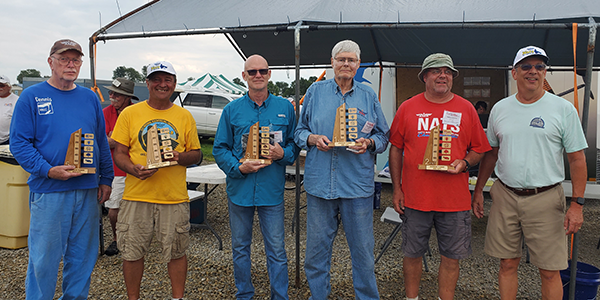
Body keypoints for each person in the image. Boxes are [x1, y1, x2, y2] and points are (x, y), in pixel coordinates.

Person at [472, 46, 587, 299]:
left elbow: (577, 159)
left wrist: (577, 204)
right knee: (507, 264)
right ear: (514, 73)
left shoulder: (563, 109)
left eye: (540, 67)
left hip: (545, 197)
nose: (533, 71)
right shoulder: (500, 109)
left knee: (549, 270)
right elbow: (492, 153)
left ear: (545, 73)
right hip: (505, 195)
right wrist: (479, 190)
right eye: (526, 66)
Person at [9, 39, 114, 299]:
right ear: (50, 62)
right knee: (44, 260)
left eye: (75, 60)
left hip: (87, 190)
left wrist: (107, 178)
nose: (70, 64)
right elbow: (19, 143)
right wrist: (47, 169)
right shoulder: (31, 97)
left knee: (82, 259)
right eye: (64, 59)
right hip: (50, 190)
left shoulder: (89, 97)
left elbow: (101, 140)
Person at [388, 53, 491, 300]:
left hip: (453, 202)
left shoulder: (466, 108)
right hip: (415, 198)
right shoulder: (408, 107)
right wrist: (397, 188)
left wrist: (465, 162)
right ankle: (411, 298)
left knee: (451, 258)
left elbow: (479, 149)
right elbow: (396, 148)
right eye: (436, 71)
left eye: (447, 71)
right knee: (412, 255)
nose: (442, 75)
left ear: (453, 77)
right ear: (425, 76)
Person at [294, 40, 389, 300]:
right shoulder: (315, 91)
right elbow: (298, 132)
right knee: (316, 254)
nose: (346, 64)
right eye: (341, 59)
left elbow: (383, 136)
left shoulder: (368, 95)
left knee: (362, 254)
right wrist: (313, 140)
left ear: (358, 65)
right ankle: (318, 296)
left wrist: (369, 143)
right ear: (332, 62)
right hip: (320, 185)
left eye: (351, 60)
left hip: (356, 187)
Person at [112, 61, 202, 300]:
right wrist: (132, 168)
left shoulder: (184, 116)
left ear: (174, 83)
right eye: (157, 80)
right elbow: (119, 152)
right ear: (148, 83)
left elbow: (197, 154)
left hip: (173, 198)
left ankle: (177, 298)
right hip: (136, 195)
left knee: (176, 252)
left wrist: (179, 156)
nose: (162, 84)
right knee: (131, 253)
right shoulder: (130, 113)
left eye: (168, 80)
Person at [213, 54, 299, 300]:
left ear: (270, 74)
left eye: (262, 70)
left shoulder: (285, 109)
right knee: (240, 248)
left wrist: (284, 153)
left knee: (276, 250)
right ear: (244, 76)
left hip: (271, 191)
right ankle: (244, 294)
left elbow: (295, 144)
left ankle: (279, 296)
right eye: (252, 72)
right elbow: (219, 148)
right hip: (240, 191)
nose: (258, 75)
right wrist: (237, 168)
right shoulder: (231, 110)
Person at [102, 77, 138, 256]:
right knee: (113, 210)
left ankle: (133, 238)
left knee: (136, 209)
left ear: (126, 96)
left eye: (116, 93)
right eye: (111, 92)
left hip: (135, 168)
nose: (112, 96)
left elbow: (137, 140)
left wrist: (115, 140)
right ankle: (117, 239)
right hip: (114, 169)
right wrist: (122, 141)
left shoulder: (137, 112)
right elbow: (103, 141)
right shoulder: (105, 112)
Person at [0, 75, 18, 145]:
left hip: (8, 141)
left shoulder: (17, 100)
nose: (0, 88)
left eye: (2, 85)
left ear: (9, 86)